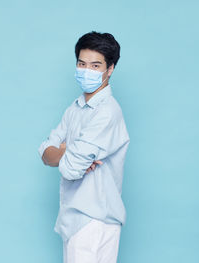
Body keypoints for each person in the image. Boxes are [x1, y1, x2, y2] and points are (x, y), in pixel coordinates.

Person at [38, 31, 130, 263]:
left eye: (95, 65)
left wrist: (62, 152)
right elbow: (44, 153)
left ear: (110, 69)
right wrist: (66, 153)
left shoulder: (107, 112)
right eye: (82, 63)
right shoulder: (75, 108)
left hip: (95, 219)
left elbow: (69, 170)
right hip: (76, 217)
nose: (86, 70)